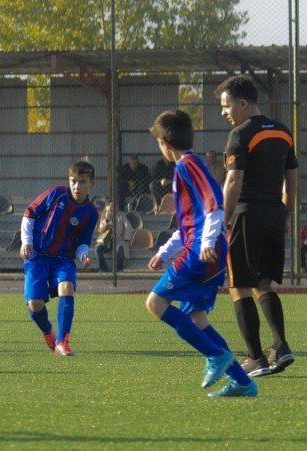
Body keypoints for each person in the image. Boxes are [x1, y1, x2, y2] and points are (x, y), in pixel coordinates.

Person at [146, 110, 257, 397]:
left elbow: (214, 203)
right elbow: (189, 223)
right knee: (197, 318)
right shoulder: (188, 166)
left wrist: (207, 242)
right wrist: (165, 251)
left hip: (202, 251)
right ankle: (244, 383)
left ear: (164, 143)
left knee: (155, 304)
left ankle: (216, 356)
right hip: (206, 249)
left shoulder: (187, 165)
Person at [216, 74, 298, 377]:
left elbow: (233, 181)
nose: (224, 112)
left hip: (246, 214)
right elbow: (292, 181)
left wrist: (222, 221)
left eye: (226, 106)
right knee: (264, 283)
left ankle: (256, 358)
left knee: (238, 286)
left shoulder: (240, 134)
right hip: (274, 214)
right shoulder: (283, 131)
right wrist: (286, 216)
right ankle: (281, 346)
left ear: (243, 103)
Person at [20, 160, 98, 357]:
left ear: (91, 184)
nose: (77, 186)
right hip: (36, 256)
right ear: (68, 181)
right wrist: (26, 242)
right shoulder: (56, 194)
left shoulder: (91, 212)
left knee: (67, 287)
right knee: (35, 304)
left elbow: (82, 242)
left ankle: (62, 342)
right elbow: (29, 214)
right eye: (73, 181)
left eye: (82, 182)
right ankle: (48, 332)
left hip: (63, 258)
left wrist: (84, 255)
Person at [94, 200, 133, 272]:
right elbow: (101, 230)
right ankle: (103, 268)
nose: (113, 208)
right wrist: (106, 220)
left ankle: (119, 268)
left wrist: (127, 239)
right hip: (107, 241)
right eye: (111, 206)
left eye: (115, 206)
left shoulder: (121, 215)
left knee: (119, 248)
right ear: (107, 207)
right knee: (97, 248)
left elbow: (128, 226)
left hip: (118, 240)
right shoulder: (104, 215)